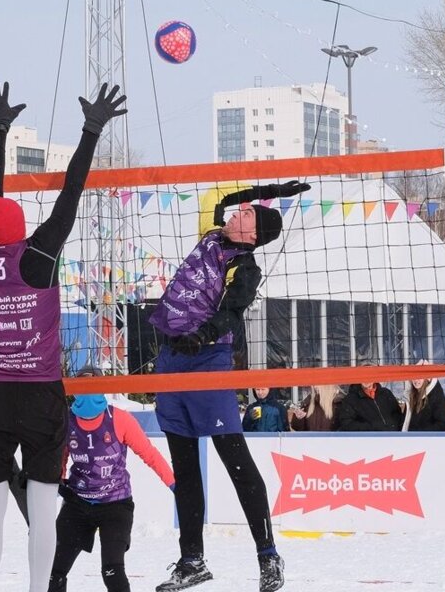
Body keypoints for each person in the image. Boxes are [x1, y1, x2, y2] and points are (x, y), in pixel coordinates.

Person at [0, 80, 127, 592]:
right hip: (40, 395)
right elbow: (71, 193)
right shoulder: (39, 256)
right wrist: (91, 130)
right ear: (20, 227)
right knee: (42, 510)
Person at [148, 179, 310, 592]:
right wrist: (270, 190)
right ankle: (192, 562)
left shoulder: (245, 265)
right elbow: (216, 196)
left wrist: (200, 337)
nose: (237, 212)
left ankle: (268, 557)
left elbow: (233, 312)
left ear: (253, 234)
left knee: (235, 461)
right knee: (184, 470)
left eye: (247, 213)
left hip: (207, 361)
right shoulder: (211, 233)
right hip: (170, 360)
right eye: (242, 209)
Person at [48, 381, 176, 592]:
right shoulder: (66, 421)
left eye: (91, 382)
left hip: (115, 504)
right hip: (77, 503)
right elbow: (58, 460)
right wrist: (54, 482)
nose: (87, 390)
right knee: (53, 573)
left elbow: (149, 454)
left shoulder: (120, 419)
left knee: (112, 571)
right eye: (83, 383)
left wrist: (174, 484)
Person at [336, 381, 402, 432]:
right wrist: (371, 427)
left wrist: (393, 426)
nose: (366, 379)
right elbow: (347, 424)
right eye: (363, 376)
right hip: (369, 442)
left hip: (394, 438)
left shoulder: (386, 393)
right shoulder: (350, 399)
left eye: (369, 375)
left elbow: (397, 414)